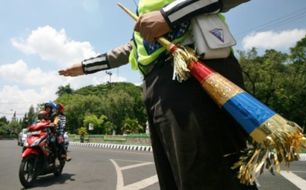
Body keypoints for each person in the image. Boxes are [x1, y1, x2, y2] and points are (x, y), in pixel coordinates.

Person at [59, 0, 257, 189]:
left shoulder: (161, 13)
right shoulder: (144, 11)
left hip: (193, 74)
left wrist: (168, 16)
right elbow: (130, 48)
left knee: (207, 177)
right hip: (158, 87)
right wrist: (85, 67)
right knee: (177, 178)